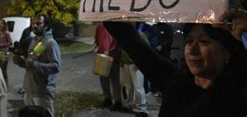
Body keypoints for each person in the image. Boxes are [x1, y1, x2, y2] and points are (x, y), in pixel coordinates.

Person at [103, 11, 247, 116]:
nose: (193, 50)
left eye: (204, 41)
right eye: (189, 41)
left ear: (227, 51)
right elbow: (132, 43)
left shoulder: (238, 91)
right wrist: (97, 0)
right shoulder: (174, 80)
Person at [12, 14, 61, 116]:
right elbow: (31, 62)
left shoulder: (50, 43)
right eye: (33, 23)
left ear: (46, 26)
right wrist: (22, 62)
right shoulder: (34, 41)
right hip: (30, 90)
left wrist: (34, 64)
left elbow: (56, 67)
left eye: (38, 23)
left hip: (42, 93)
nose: (34, 25)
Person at [93, 22, 124, 111]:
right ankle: (108, 99)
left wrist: (110, 51)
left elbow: (118, 43)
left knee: (115, 80)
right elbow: (97, 40)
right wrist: (95, 47)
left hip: (114, 57)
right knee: (103, 79)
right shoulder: (100, 26)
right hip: (102, 57)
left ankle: (118, 101)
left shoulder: (116, 26)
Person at [0, 19, 12, 84]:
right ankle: (1, 83)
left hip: (5, 52)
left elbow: (10, 43)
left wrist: (0, 45)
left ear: (4, 25)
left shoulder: (6, 33)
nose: (0, 25)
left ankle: (5, 84)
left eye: (2, 23)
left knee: (4, 70)